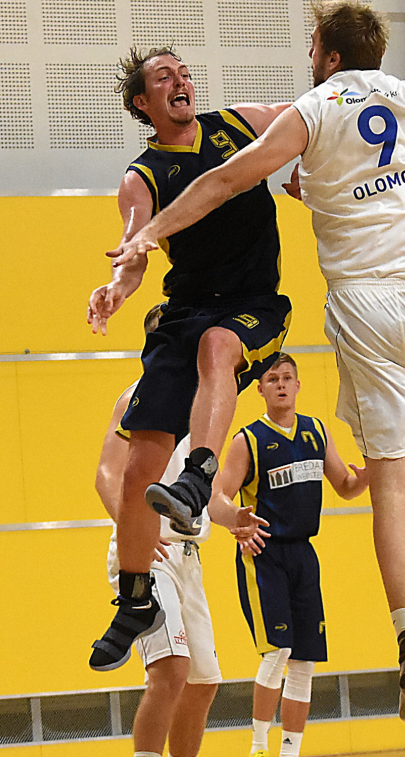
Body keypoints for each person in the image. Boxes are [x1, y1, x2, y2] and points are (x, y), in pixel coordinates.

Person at [108, 0, 405, 703]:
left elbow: (226, 177)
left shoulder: (309, 110)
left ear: (328, 57)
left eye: (311, 50)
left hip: (358, 301)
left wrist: (145, 238)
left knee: (389, 479)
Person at [86, 48, 293, 671]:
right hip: (184, 310)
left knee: (218, 349)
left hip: (254, 305)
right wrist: (119, 287)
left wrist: (314, 170)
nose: (179, 81)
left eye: (182, 72)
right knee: (138, 466)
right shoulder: (142, 176)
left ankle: (199, 474)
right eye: (162, 78)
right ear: (142, 105)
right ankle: (135, 598)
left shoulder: (244, 124)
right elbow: (136, 249)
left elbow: (315, 122)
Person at [208, 353, 375, 757]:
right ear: (261, 388)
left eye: (287, 377)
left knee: (303, 662)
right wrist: (236, 520)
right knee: (277, 651)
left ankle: (290, 751)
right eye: (272, 378)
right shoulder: (246, 440)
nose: (281, 384)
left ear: (298, 385)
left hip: (303, 554)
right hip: (264, 553)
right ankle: (258, 746)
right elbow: (215, 500)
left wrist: (369, 473)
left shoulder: (316, 433)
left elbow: (346, 486)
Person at [93, 303, 221, 757]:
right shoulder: (136, 398)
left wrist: (234, 517)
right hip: (149, 552)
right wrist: (138, 536)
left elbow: (211, 491)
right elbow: (107, 476)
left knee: (203, 682)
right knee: (171, 670)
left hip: (188, 556)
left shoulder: (208, 402)